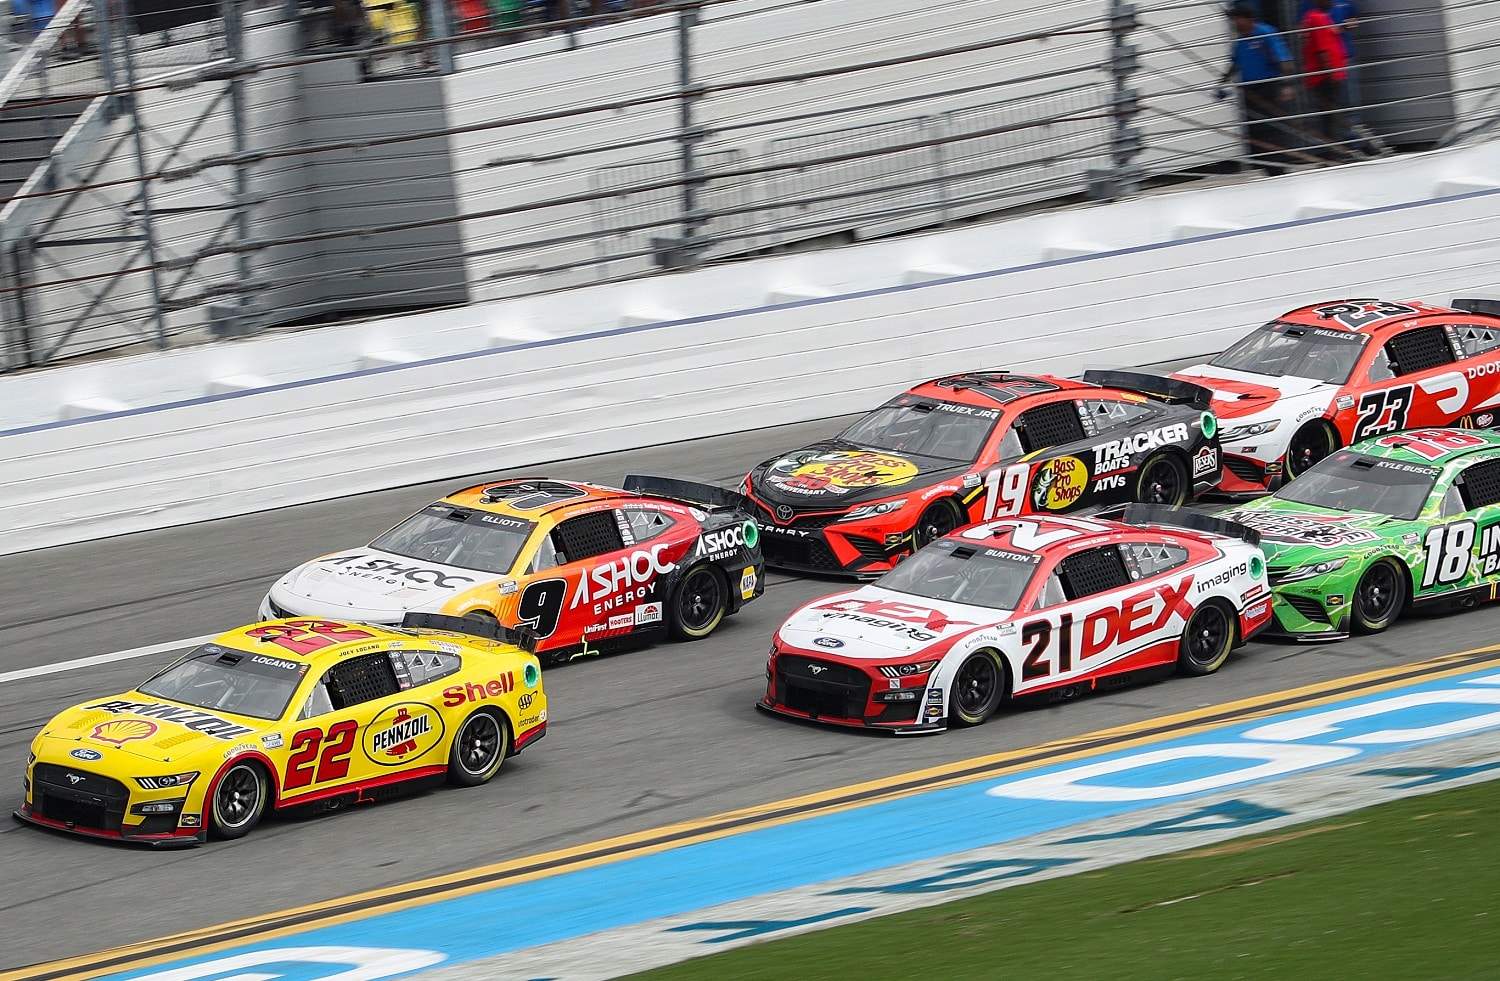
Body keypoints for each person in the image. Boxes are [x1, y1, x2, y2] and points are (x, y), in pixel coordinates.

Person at [1220, 2, 1296, 172]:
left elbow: (1284, 60)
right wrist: (1222, 83)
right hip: (1251, 90)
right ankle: (1264, 164)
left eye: (1235, 19)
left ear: (1246, 19)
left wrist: (1287, 85)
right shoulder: (1240, 41)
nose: (1233, 23)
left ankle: (1278, 164)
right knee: (1256, 128)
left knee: (1272, 126)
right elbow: (1235, 64)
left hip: (1269, 87)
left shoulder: (1265, 33)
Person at [1300, 0, 1353, 155]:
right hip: (1325, 77)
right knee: (1331, 117)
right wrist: (1331, 73)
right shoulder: (1318, 18)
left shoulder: (1316, 17)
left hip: (1322, 75)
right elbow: (1322, 50)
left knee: (1328, 117)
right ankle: (1334, 152)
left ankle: (1333, 151)